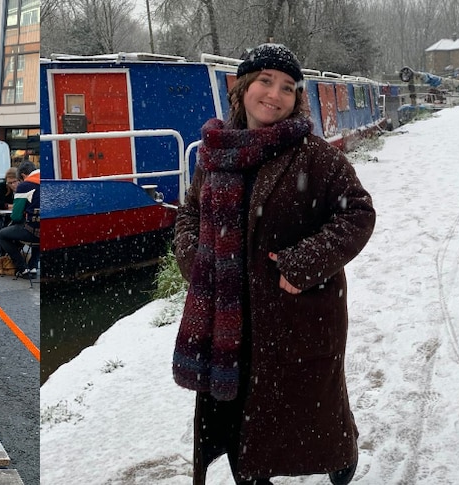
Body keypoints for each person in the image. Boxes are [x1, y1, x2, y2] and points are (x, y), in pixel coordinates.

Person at [172, 43, 375, 485]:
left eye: (287, 87)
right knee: (241, 411)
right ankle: (252, 472)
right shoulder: (216, 153)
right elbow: (190, 214)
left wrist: (300, 266)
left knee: (317, 412)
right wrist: (195, 259)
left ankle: (342, 461)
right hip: (228, 316)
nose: (275, 94)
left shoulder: (314, 156)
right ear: (243, 87)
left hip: (298, 314)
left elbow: (358, 212)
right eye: (265, 81)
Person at [0, 161, 40, 278]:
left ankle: (22, 268)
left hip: (32, 232)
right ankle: (33, 266)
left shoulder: (25, 186)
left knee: (2, 235)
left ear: (22, 175)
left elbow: (16, 216)